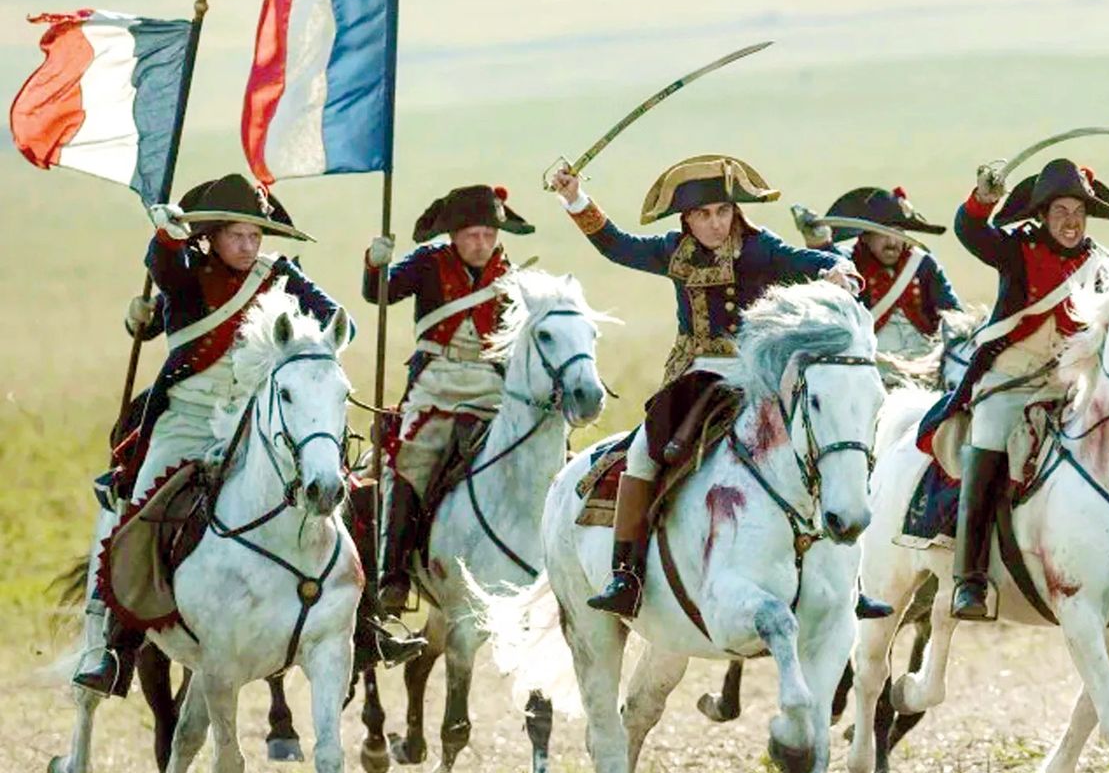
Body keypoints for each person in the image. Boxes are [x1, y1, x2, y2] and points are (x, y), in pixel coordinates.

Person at [74, 174, 423, 698]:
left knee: (344, 497)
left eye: (254, 236)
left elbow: (337, 322)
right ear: (212, 237)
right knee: (141, 514)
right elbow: (163, 265)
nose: (247, 245)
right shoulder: (186, 276)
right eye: (236, 235)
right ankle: (115, 649)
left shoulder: (278, 275)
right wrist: (166, 237)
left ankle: (367, 625)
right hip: (187, 421)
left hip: (254, 421)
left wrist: (347, 302)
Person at [551, 155, 890, 619]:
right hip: (694, 376)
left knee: (821, 442)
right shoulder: (672, 251)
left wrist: (837, 269)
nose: (716, 223)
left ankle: (851, 582)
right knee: (642, 453)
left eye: (723, 212)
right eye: (704, 214)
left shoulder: (759, 248)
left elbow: (814, 260)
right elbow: (617, 246)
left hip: (755, 375)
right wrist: (575, 199)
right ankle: (626, 575)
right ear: (686, 219)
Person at [916, 158, 1109, 621]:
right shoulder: (1016, 250)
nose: (1071, 221)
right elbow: (970, 232)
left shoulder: (1103, 265)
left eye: (1078, 212)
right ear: (1042, 216)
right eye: (1060, 212)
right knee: (988, 442)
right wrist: (982, 201)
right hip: (1010, 380)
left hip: (1071, 382)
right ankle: (970, 577)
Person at [363, 184, 534, 612]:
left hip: (492, 387)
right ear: (454, 235)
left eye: (489, 235)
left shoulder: (511, 275)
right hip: (436, 385)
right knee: (410, 460)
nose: (482, 243)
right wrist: (375, 265)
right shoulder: (427, 263)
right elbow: (379, 294)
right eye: (473, 235)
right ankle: (394, 574)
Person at [800, 186, 962, 361]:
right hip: (870, 361)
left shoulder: (923, 264)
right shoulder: (849, 262)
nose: (892, 241)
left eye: (898, 233)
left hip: (924, 360)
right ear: (865, 237)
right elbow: (830, 260)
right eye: (883, 234)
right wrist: (820, 241)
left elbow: (953, 313)